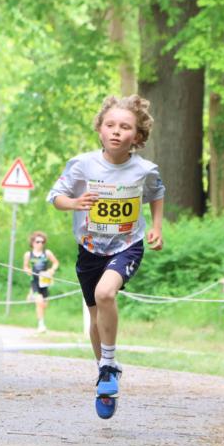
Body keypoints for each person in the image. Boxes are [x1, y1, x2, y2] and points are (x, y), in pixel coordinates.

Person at [47, 95, 165, 419]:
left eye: (125, 127)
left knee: (105, 293)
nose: (116, 131)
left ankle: (110, 365)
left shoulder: (144, 170)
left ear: (137, 137)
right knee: (95, 319)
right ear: (99, 129)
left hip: (127, 245)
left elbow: (157, 193)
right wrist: (74, 203)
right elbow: (55, 196)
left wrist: (156, 227)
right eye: (110, 125)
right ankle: (105, 374)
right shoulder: (82, 165)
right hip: (89, 248)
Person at [22, 231, 59, 333]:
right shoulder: (28, 254)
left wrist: (52, 270)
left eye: (42, 242)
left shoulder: (47, 253)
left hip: (45, 281)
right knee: (39, 302)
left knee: (44, 305)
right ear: (33, 242)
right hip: (34, 281)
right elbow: (25, 266)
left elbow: (56, 263)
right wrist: (27, 270)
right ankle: (41, 325)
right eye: (38, 242)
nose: (40, 244)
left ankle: (30, 294)